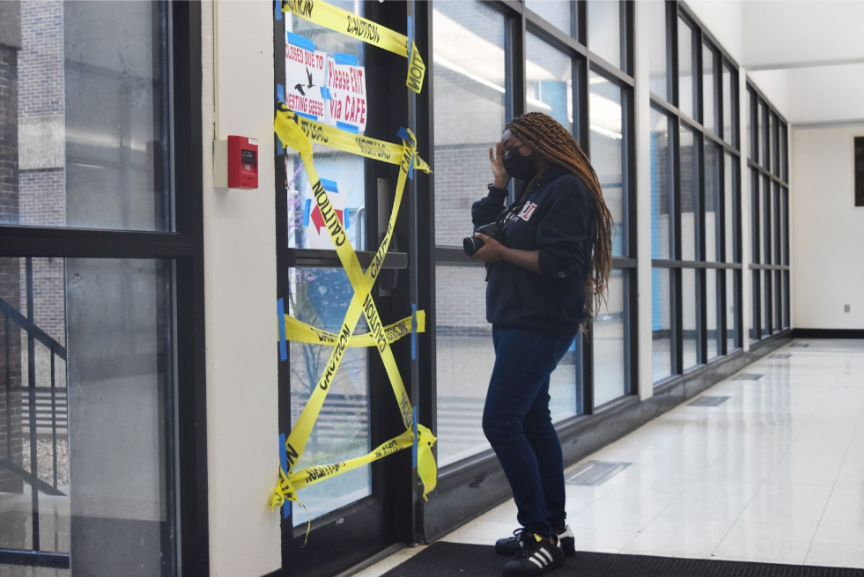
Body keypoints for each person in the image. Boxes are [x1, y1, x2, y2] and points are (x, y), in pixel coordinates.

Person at [470, 112, 613, 577]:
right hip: (514, 318)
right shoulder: (531, 193)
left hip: (541, 322)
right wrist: (496, 189)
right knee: (532, 420)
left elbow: (560, 261)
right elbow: (492, 228)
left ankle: (539, 535)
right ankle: (555, 528)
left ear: (535, 143)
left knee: (501, 421)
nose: (505, 151)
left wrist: (502, 253)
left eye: (510, 144)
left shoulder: (568, 188)